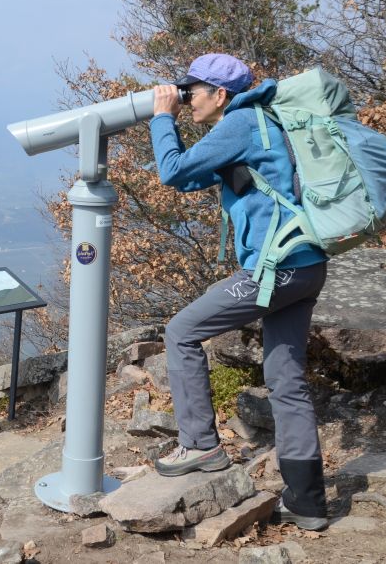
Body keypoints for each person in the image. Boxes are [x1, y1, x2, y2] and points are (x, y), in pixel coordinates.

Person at [148, 53, 330, 531]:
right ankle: (307, 502)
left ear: (219, 94)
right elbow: (191, 177)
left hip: (276, 269)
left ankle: (200, 445)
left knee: (181, 331)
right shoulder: (263, 121)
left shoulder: (240, 122)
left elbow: (171, 172)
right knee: (286, 380)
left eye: (191, 92)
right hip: (307, 266)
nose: (187, 99)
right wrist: (176, 144)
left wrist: (162, 118)